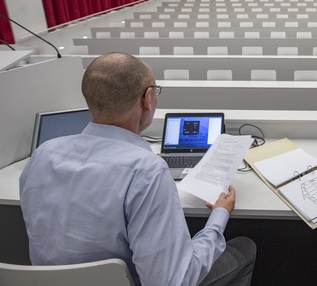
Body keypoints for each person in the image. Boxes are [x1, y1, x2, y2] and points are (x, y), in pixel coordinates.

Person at [19, 52, 256, 286]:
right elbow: (173, 281)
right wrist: (219, 216)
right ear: (148, 98)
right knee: (245, 247)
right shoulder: (147, 171)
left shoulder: (43, 154)